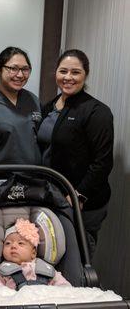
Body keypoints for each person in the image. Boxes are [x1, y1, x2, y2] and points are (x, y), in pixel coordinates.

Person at [37, 49, 114, 258]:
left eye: (75, 72)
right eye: (63, 71)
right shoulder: (48, 107)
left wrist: (79, 194)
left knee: (79, 258)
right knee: (52, 255)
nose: (68, 77)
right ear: (56, 73)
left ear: (85, 75)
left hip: (83, 204)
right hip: (52, 197)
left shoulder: (97, 111)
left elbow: (103, 162)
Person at [0, 46, 41, 167]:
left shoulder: (33, 100)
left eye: (25, 69)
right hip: (0, 179)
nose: (20, 75)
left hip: (34, 177)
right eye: (13, 68)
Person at [0, 218, 70, 288]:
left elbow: (64, 287)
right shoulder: (1, 273)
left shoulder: (46, 269)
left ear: (33, 253)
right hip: (15, 303)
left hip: (45, 302)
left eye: (20, 243)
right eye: (8, 243)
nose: (13, 246)